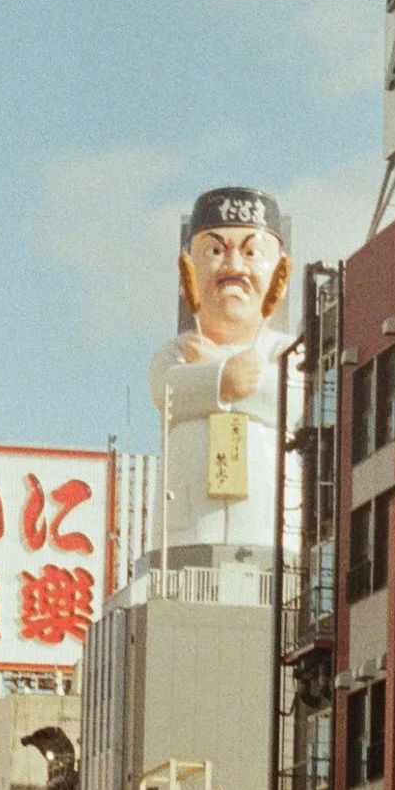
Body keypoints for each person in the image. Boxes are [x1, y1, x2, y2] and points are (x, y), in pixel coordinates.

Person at [148, 187, 294, 555]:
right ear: (188, 273)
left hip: (272, 541)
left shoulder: (287, 350)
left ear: (280, 273)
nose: (233, 268)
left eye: (251, 253)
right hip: (183, 541)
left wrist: (215, 372)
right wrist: (224, 378)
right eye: (214, 251)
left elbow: (294, 400)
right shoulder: (178, 350)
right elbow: (167, 391)